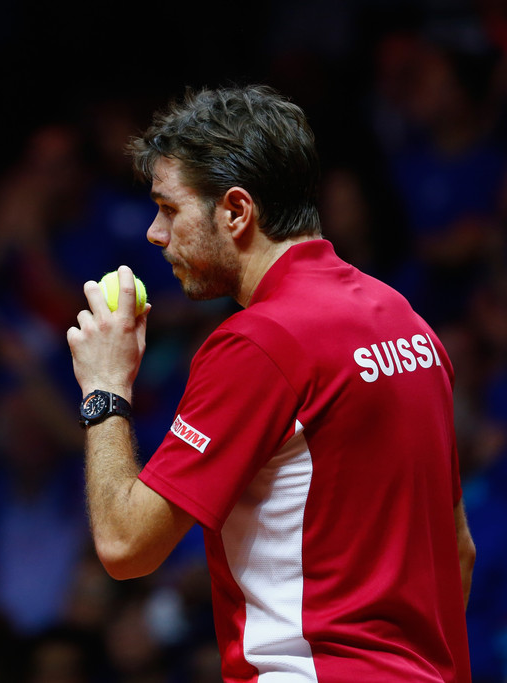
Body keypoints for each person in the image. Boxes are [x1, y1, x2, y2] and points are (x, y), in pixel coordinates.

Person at [66, 85, 474, 681]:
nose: (155, 234)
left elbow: (127, 547)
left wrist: (106, 387)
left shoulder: (257, 344)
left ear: (236, 211)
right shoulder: (405, 320)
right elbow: (457, 552)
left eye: (170, 208)